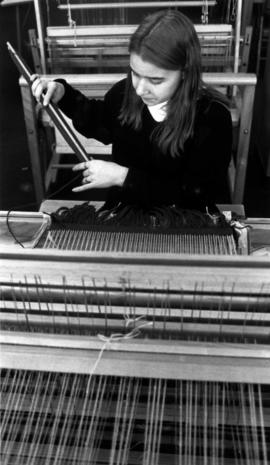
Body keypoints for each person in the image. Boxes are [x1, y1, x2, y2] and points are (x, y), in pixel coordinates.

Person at [31, 9, 232, 213]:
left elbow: (198, 195)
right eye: (135, 73)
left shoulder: (213, 118)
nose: (140, 89)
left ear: (185, 73)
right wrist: (62, 94)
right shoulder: (124, 93)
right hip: (125, 213)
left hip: (184, 224)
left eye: (155, 80)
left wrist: (122, 177)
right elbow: (98, 120)